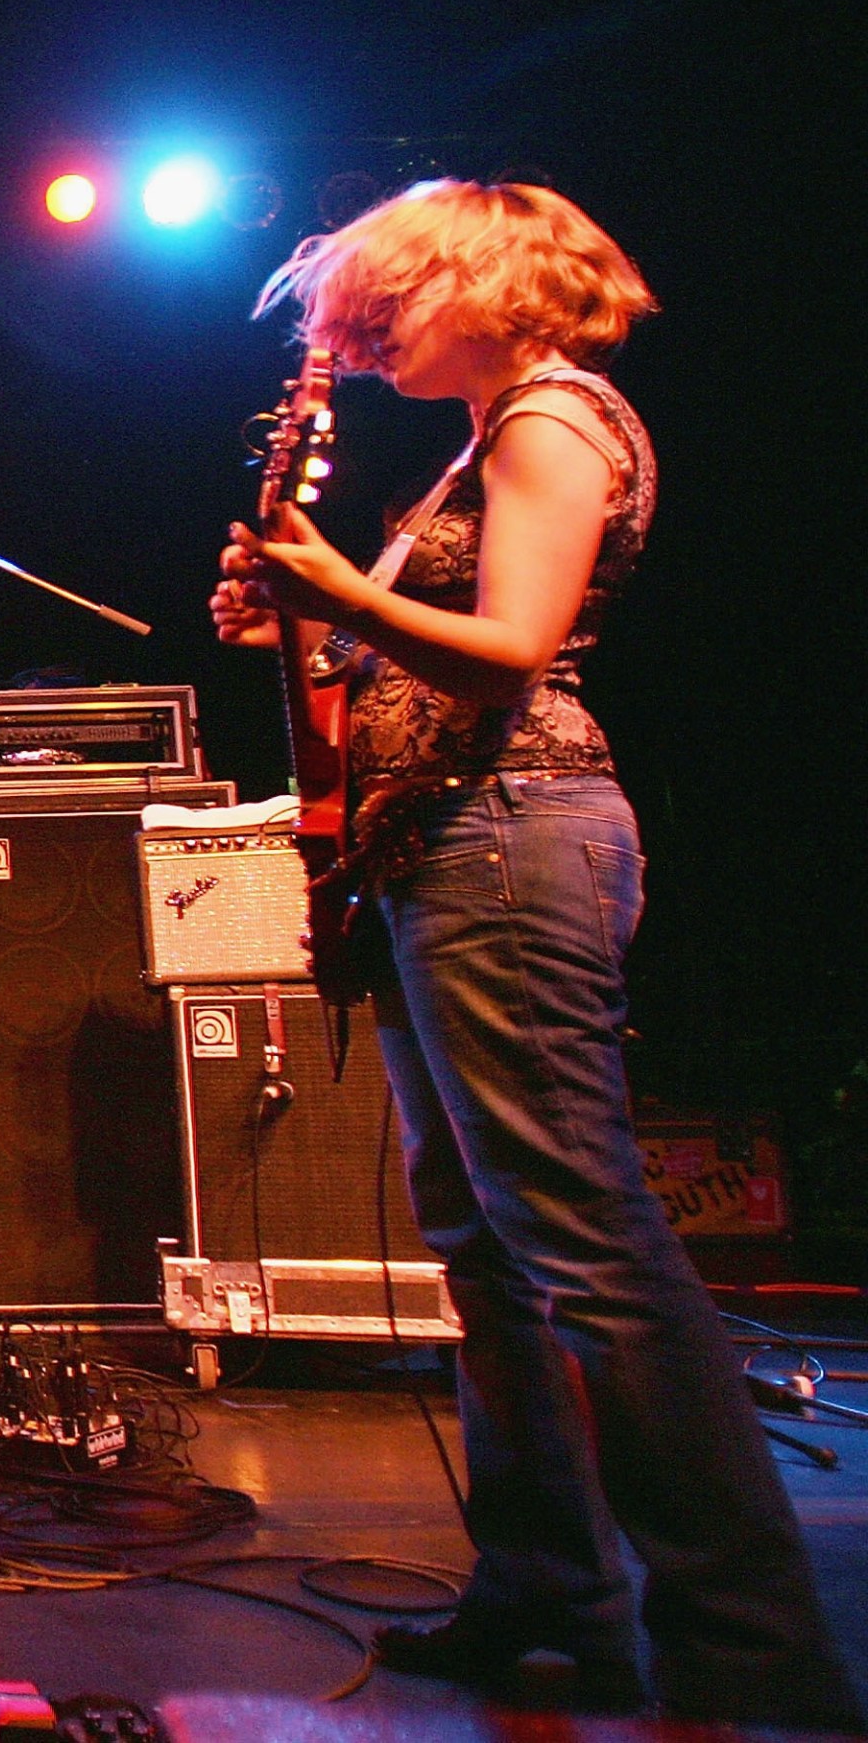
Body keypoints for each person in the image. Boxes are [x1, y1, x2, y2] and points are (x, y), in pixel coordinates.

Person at [217, 178, 855, 1728]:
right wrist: (315, 631)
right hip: (453, 844)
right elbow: (408, 681)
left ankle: (751, 1639)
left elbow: (513, 648)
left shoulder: (552, 417)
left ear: (488, 281)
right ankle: (550, 1596)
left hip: (515, 838)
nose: (361, 337)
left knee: (584, 1243)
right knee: (492, 1257)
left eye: (386, 304)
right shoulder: (487, 436)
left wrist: (345, 592)